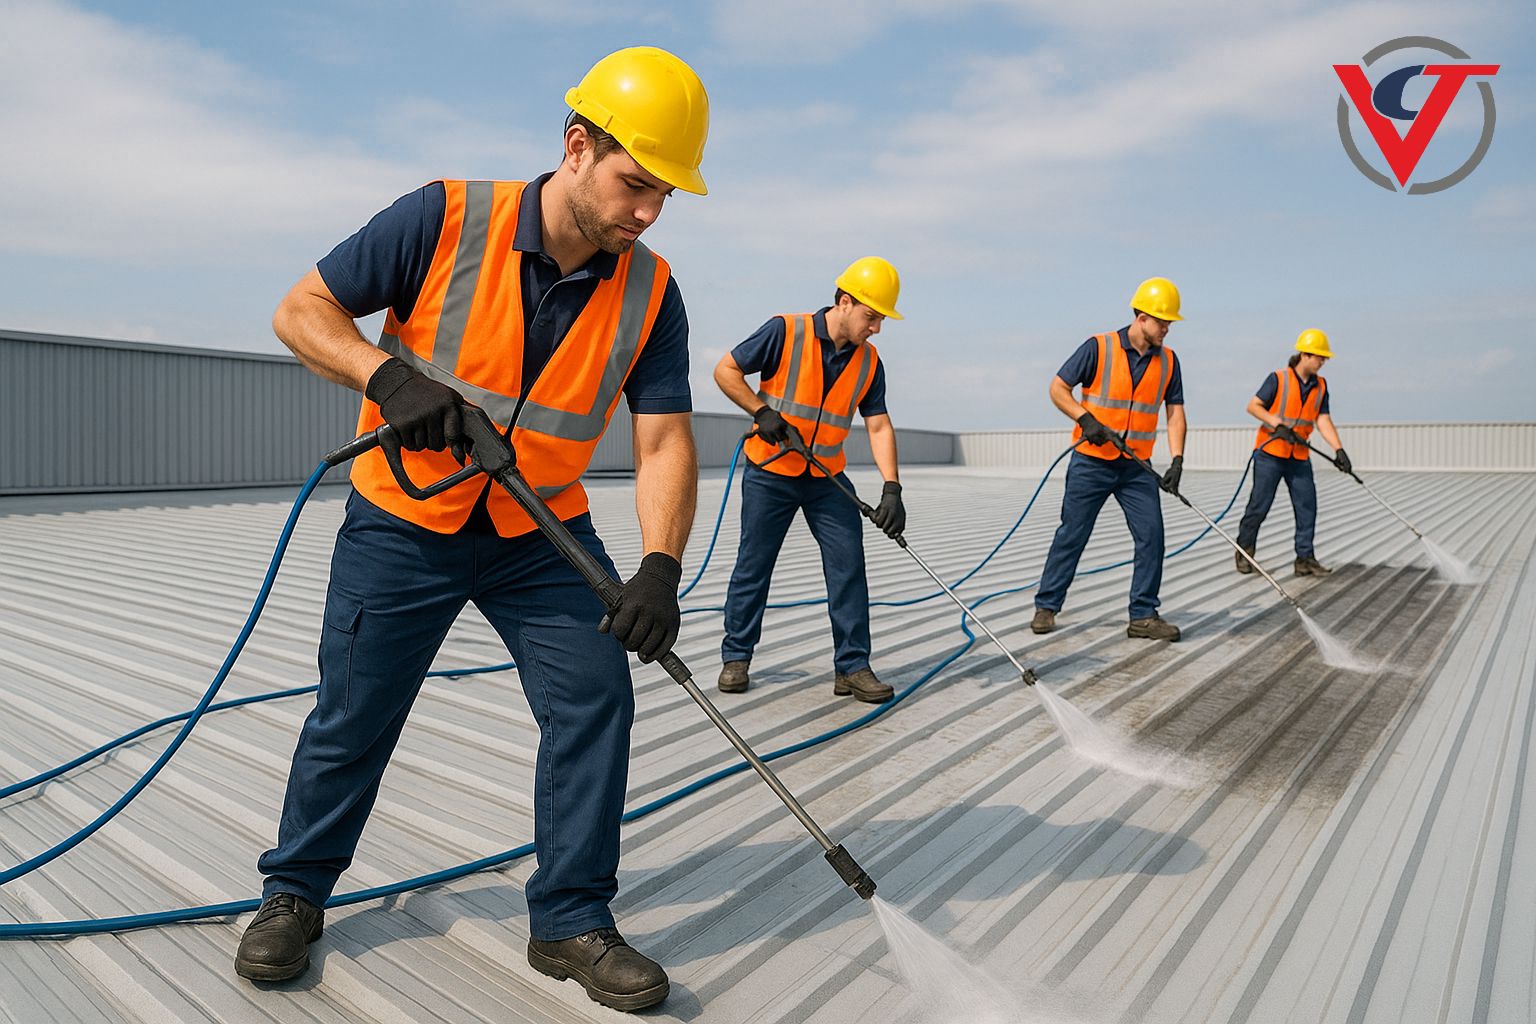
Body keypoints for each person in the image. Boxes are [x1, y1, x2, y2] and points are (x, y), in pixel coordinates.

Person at [234, 47, 709, 1014]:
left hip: (543, 534)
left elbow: (661, 443)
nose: (648, 213)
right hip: (404, 519)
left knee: (593, 698)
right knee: (355, 711)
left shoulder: (652, 292)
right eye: (635, 185)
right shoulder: (445, 216)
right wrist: (387, 376)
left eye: (666, 195)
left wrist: (660, 566)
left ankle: (571, 920)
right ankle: (296, 892)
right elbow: (301, 311)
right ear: (577, 146)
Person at [713, 257, 907, 702]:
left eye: (880, 319)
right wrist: (762, 412)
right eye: (872, 316)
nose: (876, 328)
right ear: (844, 302)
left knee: (848, 568)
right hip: (770, 470)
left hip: (827, 477)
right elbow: (726, 370)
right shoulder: (786, 331)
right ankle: (736, 657)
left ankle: (853, 668)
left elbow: (878, 425)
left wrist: (892, 487)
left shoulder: (869, 362)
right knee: (753, 565)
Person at [1032, 278, 1188, 641]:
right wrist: (1085, 419)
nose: (1167, 328)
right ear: (1140, 316)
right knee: (1073, 534)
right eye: (1161, 320)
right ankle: (1047, 605)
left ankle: (1143, 615)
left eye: (1169, 322)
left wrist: (1177, 459)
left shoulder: (1168, 361)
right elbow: (1057, 388)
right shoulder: (1098, 347)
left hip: (1137, 467)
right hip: (1092, 461)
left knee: (1152, 536)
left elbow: (1175, 413)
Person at [1235, 329, 1351, 576]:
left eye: (1324, 358)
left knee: (1307, 505)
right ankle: (1244, 550)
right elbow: (1253, 406)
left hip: (1298, 456)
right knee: (1259, 505)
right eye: (1319, 357)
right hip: (1270, 454)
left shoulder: (1320, 386)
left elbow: (1323, 419)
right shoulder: (1278, 379)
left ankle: (1304, 559)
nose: (1322, 362)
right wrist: (1277, 424)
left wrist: (1339, 450)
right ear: (1305, 355)